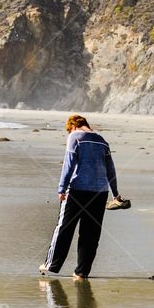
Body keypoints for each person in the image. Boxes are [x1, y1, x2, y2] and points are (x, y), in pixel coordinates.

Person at [41, 115, 125, 280]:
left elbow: (69, 163)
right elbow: (111, 169)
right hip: (100, 192)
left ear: (72, 126)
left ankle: (51, 265)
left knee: (64, 228)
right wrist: (115, 193)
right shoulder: (102, 141)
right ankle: (81, 272)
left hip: (77, 190)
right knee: (91, 233)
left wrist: (62, 188)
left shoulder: (75, 137)